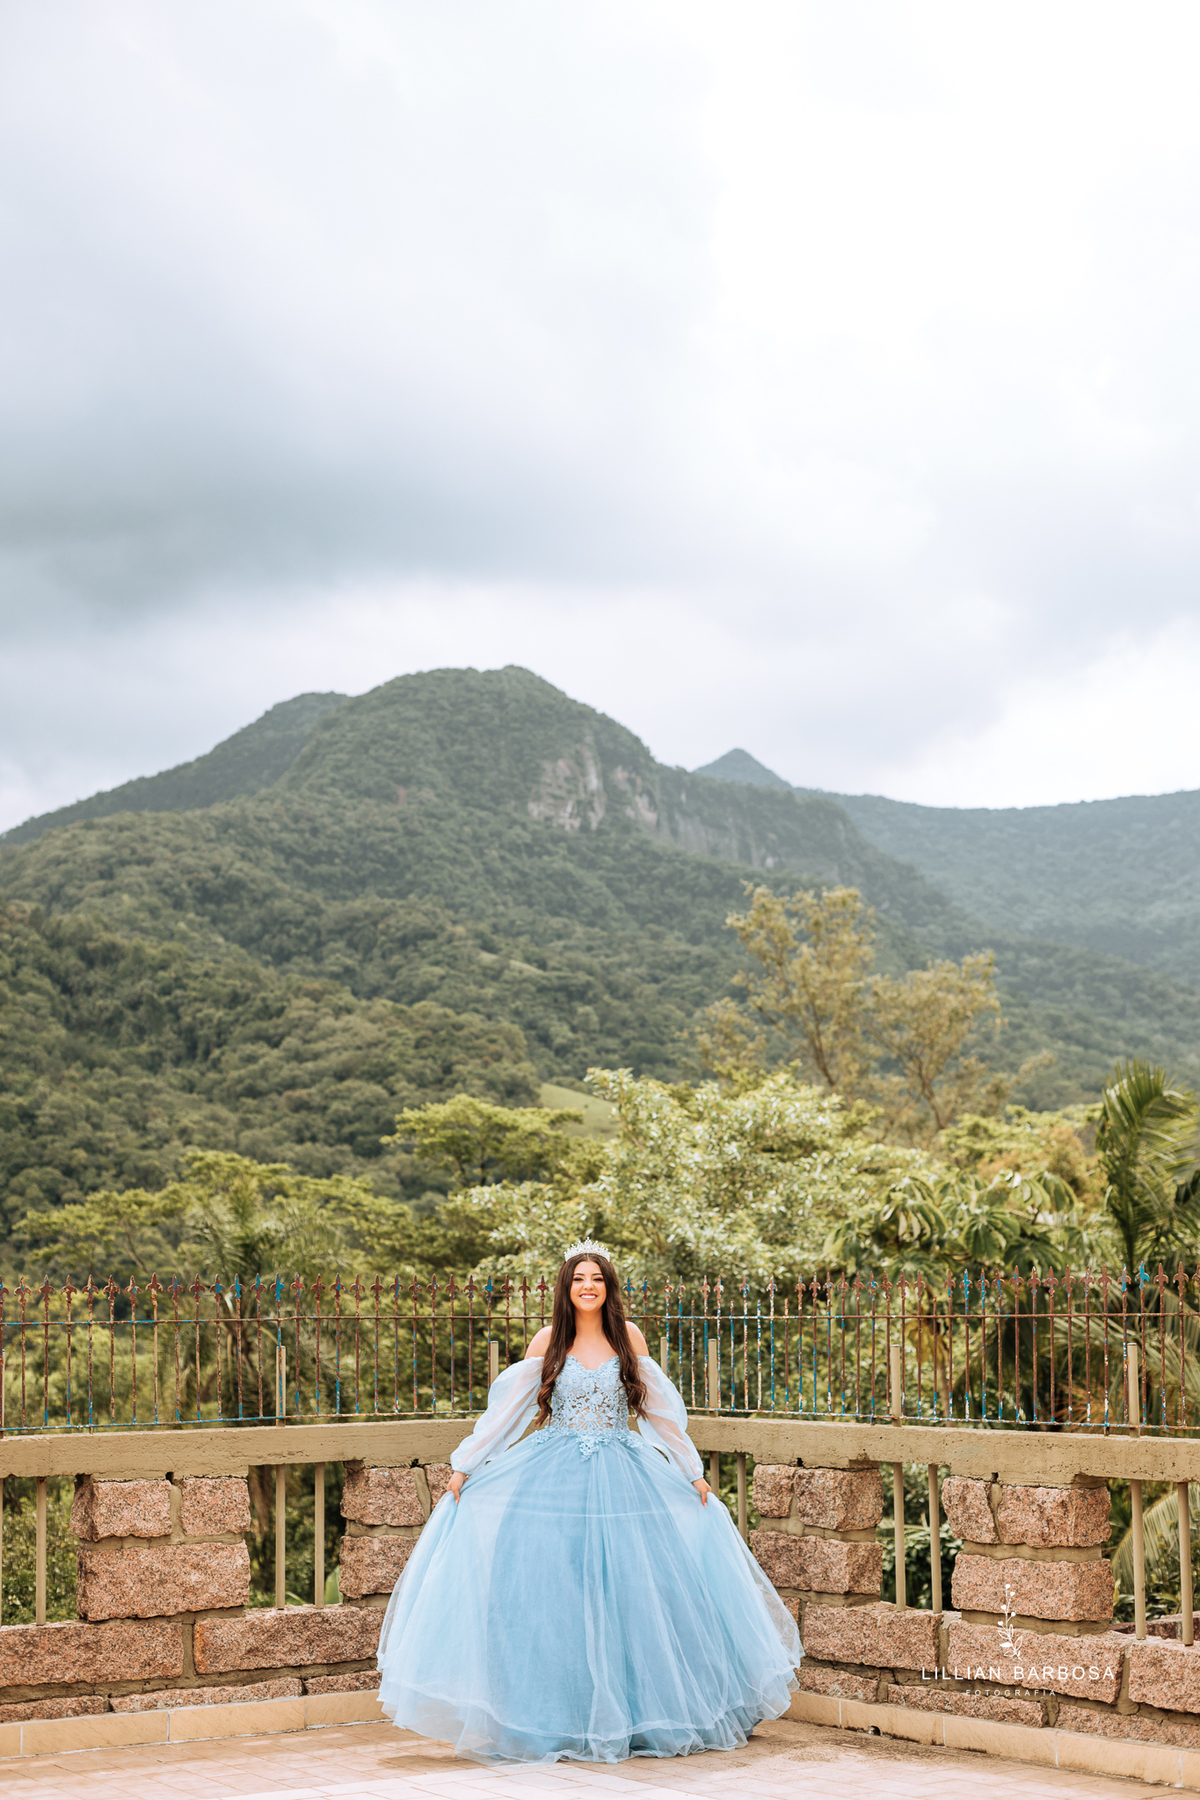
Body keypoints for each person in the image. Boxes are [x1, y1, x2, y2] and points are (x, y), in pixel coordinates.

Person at [376, 1239, 802, 1764]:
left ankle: (637, 1716)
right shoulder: (548, 1341)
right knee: (551, 1597)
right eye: (579, 1278)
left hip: (624, 1474)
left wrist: (693, 1474)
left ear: (608, 1287)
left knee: (632, 1593)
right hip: (552, 1475)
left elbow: (660, 1416)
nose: (587, 1286)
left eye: (596, 1278)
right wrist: (464, 1466)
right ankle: (554, 1718)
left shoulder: (630, 1339)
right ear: (566, 1287)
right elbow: (505, 1414)